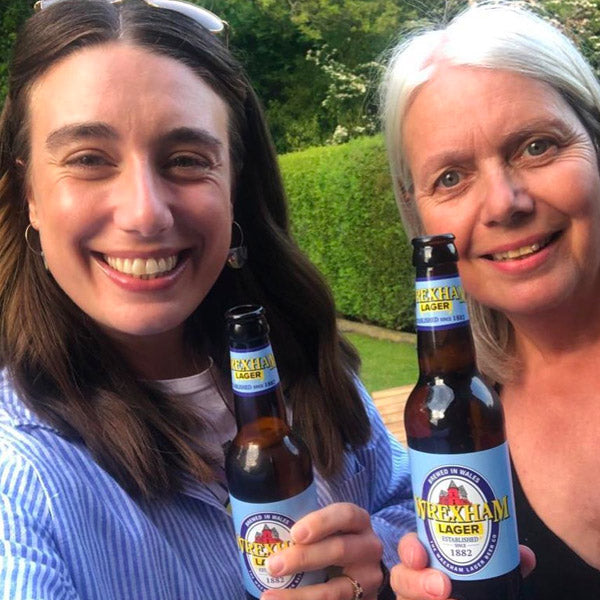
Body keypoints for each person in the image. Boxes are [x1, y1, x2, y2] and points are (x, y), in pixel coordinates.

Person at [0, 1, 415, 598]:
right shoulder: (21, 476)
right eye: (89, 160)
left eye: (187, 161)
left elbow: (404, 497)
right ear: (30, 195)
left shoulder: (300, 363)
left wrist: (380, 560)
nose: (145, 213)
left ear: (235, 186)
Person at [379, 1, 600, 598]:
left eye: (536, 146)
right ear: (419, 215)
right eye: (450, 177)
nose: (504, 203)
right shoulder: (460, 414)